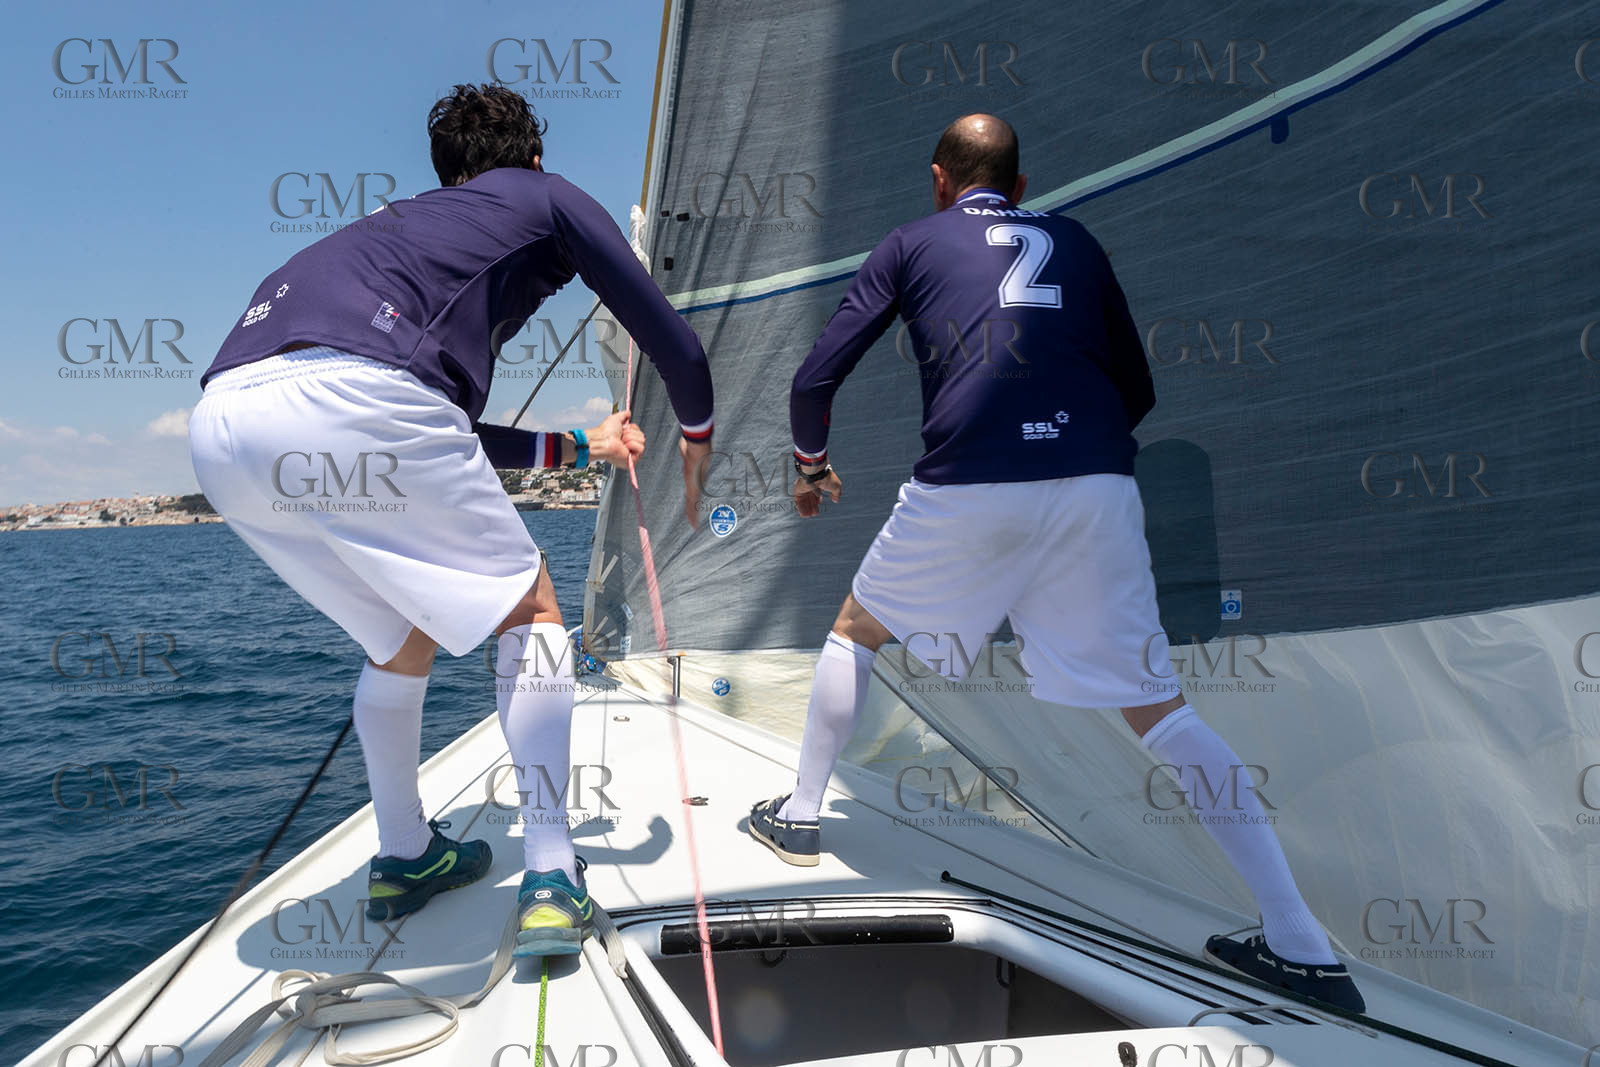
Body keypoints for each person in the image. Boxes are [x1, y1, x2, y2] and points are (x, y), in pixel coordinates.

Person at [746, 113, 1364, 1012]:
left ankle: (801, 816)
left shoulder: (910, 242)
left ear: (938, 180)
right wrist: (1069, 465)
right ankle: (1302, 942)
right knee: (1162, 708)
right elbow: (1137, 388)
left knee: (859, 627)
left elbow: (813, 379)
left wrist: (808, 468)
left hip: (969, 482)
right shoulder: (1075, 238)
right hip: (1097, 486)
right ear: (1021, 189)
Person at [189, 84, 714, 958]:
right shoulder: (545, 193)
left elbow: (418, 425)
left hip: (224, 427)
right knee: (534, 610)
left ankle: (405, 857)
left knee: (401, 634)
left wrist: (580, 447)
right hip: (360, 402)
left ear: (447, 174)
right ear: (534, 159)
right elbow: (671, 336)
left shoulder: (379, 240)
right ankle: (552, 872)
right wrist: (695, 431)